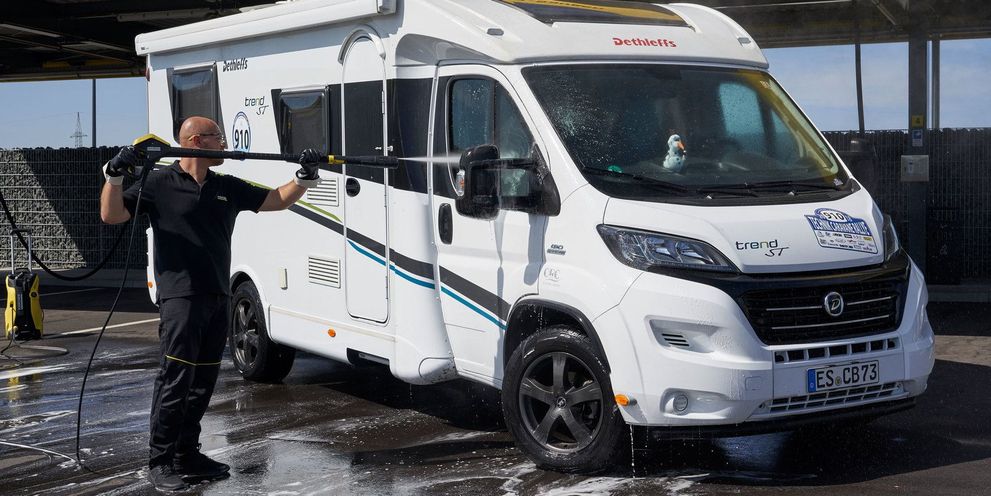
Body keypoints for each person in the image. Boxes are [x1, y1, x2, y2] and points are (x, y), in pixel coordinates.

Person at [100, 116, 323, 491]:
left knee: (202, 382)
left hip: (218, 295)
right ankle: (161, 460)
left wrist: (305, 176)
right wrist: (114, 175)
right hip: (180, 298)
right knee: (176, 380)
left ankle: (186, 454)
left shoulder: (225, 187)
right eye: (218, 137)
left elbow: (277, 199)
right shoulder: (158, 183)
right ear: (197, 142)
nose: (224, 144)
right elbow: (111, 214)